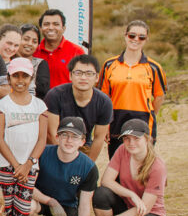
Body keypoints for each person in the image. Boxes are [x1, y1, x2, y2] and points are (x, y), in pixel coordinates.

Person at [0, 58, 48, 216]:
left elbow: (42, 139)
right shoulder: (3, 105)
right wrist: (16, 165)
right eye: (15, 75)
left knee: (23, 210)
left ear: (31, 78)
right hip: (5, 166)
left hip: (29, 168)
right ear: (9, 78)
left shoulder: (40, 106)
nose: (20, 80)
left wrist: (28, 164)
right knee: (4, 209)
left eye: (25, 76)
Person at [94, 119, 167, 216]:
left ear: (147, 139)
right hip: (129, 204)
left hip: (151, 213)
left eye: (136, 138)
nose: (131, 143)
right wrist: (131, 195)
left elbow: (144, 207)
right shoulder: (122, 150)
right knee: (100, 194)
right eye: (127, 138)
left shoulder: (157, 166)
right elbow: (106, 181)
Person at [27, 117, 96, 216]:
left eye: (74, 137)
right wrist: (50, 201)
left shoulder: (88, 167)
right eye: (65, 135)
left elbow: (84, 205)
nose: (69, 141)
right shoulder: (42, 153)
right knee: (27, 207)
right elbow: (28, 186)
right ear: (57, 137)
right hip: (41, 201)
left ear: (82, 141)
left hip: (66, 206)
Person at [99, 20, 166, 157]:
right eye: (132, 35)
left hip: (143, 120)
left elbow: (159, 96)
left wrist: (149, 113)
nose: (136, 39)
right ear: (125, 36)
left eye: (141, 37)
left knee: (141, 164)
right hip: (116, 120)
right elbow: (103, 97)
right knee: (117, 162)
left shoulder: (154, 67)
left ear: (146, 39)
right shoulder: (109, 65)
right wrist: (105, 124)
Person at [43, 55, 113, 161]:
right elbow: (52, 134)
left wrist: (88, 165)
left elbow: (99, 138)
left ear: (97, 77)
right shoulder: (55, 95)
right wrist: (64, 159)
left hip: (83, 144)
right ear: (70, 75)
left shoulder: (104, 102)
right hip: (57, 143)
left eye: (89, 74)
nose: (83, 78)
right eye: (78, 73)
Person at [34, 9, 85, 88]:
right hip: (39, 100)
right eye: (46, 24)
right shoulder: (34, 51)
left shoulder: (76, 52)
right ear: (41, 28)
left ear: (63, 28)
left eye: (56, 24)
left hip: (66, 99)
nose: (51, 27)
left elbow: (83, 82)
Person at [16, 24, 51, 98]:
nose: (29, 44)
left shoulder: (40, 64)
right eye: (26, 39)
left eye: (34, 42)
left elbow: (43, 93)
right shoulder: (6, 60)